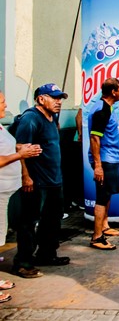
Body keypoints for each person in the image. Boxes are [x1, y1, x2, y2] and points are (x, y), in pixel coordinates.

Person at [11, 84, 70, 279]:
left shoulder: (52, 117)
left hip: (55, 180)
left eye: (60, 98)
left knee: (53, 220)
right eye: (54, 98)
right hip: (36, 181)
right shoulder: (30, 119)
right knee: (29, 222)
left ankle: (47, 254)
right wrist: (25, 176)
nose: (59, 102)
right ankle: (23, 263)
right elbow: (20, 149)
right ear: (41, 99)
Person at [0, 92, 41, 299]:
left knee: (0, 236)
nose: (5, 104)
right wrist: (20, 154)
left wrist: (19, 147)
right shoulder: (29, 118)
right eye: (1, 102)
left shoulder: (0, 126)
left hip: (6, 190)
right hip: (0, 190)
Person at [88, 78, 119, 251]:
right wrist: (98, 165)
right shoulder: (102, 110)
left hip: (110, 158)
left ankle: (104, 225)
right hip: (104, 160)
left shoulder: (108, 109)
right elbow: (95, 137)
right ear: (113, 92)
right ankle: (97, 237)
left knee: (108, 193)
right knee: (102, 197)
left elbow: (105, 130)